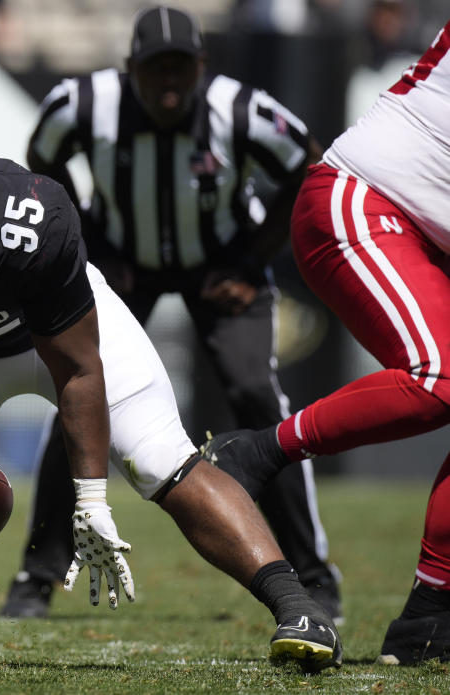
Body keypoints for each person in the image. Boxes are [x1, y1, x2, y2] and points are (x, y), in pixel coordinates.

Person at [0, 129, 342, 672]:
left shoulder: (32, 219)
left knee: (159, 458)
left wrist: (92, 500)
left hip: (49, 334)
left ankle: (298, 606)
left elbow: (79, 370)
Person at [1, 4, 341, 623]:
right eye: (155, 68)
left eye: (180, 68)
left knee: (255, 395)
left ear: (202, 68)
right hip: (121, 262)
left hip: (220, 263)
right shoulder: (81, 104)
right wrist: (88, 245)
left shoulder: (242, 110)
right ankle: (37, 576)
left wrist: (250, 259)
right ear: (129, 68)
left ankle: (315, 574)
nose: (168, 84)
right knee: (79, 396)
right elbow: (41, 169)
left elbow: (310, 168)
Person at [201, 17, 450, 667]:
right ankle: (254, 451)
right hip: (363, 198)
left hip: (416, 218)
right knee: (438, 376)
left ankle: (431, 612)